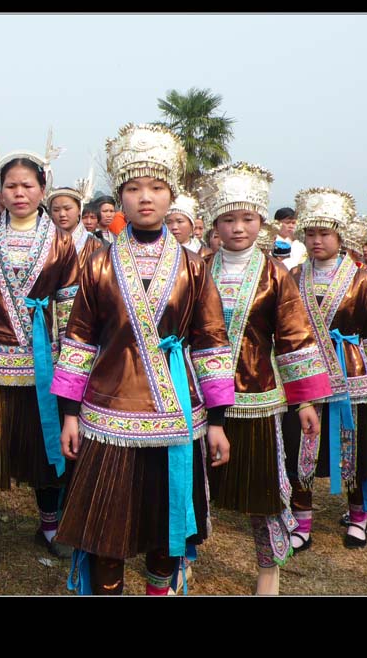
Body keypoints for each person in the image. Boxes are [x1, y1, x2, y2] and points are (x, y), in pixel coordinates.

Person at [50, 123, 233, 595]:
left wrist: (217, 419)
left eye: (155, 187)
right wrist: (69, 414)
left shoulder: (194, 266)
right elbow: (78, 340)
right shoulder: (97, 262)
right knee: (106, 531)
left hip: (176, 415)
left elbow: (211, 342)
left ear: (172, 195)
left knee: (164, 529)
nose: (144, 198)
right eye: (133, 188)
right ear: (121, 196)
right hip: (109, 414)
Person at [197, 162, 331, 595]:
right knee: (191, 484)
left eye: (247, 218)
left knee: (265, 491)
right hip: (199, 395)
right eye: (229, 219)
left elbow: (294, 337)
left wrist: (305, 400)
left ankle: (268, 571)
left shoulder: (276, 274)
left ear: (261, 222)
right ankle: (180, 557)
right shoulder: (197, 268)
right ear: (215, 223)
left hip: (256, 395)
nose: (238, 228)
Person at [0, 149, 80, 583]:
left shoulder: (62, 243)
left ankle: (49, 527)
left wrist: (68, 360)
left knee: (47, 448)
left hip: (45, 362)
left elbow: (69, 305)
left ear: (43, 190)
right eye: (11, 186)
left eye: (28, 185)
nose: (20, 192)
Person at [282, 188, 367, 553]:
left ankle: (357, 516)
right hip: (305, 375)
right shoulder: (293, 276)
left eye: (325, 234)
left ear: (340, 237)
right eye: (310, 233)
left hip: (351, 373)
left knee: (356, 448)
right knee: (299, 445)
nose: (317, 240)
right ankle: (301, 518)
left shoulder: (362, 279)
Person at [48, 182, 108, 267]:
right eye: (56, 210)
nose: (62, 214)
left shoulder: (95, 245)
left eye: (67, 208)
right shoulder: (46, 243)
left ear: (79, 209)